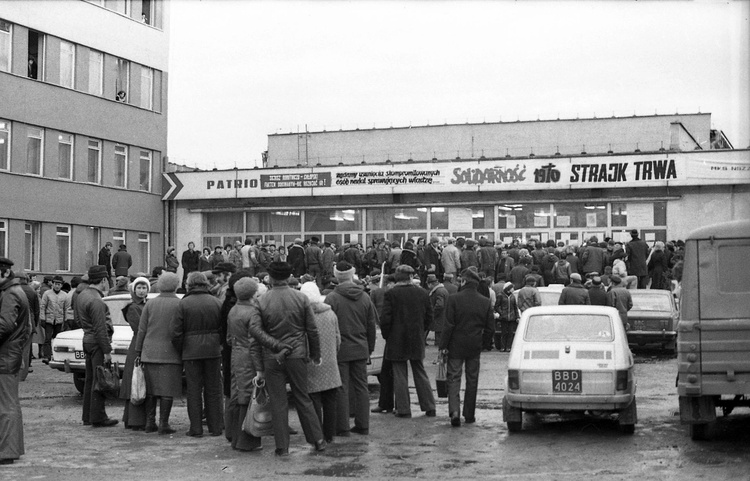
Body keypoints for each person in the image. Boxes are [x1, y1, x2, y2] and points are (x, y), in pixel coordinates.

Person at [248, 261, 326, 456]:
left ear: (271, 278)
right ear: (289, 277)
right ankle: (318, 439)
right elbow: (312, 330)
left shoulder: (262, 300)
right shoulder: (301, 298)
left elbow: (255, 330)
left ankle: (282, 446)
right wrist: (315, 354)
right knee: (303, 397)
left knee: (278, 401)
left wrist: (275, 345)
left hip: (272, 357)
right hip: (297, 355)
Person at [225, 277, 287, 451]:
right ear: (253, 293)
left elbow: (229, 338)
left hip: (236, 355)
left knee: (239, 395)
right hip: (249, 357)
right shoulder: (253, 312)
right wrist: (259, 368)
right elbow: (254, 342)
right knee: (249, 395)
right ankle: (247, 441)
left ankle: (237, 439)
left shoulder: (233, 310)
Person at [324, 261, 378, 436]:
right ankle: (363, 425)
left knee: (341, 387)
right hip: (361, 347)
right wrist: (369, 348)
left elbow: (328, 326)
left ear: (337, 275)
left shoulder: (332, 298)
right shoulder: (365, 297)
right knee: (362, 387)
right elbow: (371, 326)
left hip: (340, 349)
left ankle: (342, 426)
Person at [440, 267, 494, 427]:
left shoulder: (454, 299)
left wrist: (443, 345)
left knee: (454, 378)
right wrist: (483, 343)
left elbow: (448, 325)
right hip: (474, 346)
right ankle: (469, 414)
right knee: (472, 380)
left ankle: (454, 411)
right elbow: (490, 328)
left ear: (464, 281)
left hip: (455, 345)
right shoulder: (485, 301)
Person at [172, 271, 224, 437]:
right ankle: (215, 427)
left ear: (189, 284)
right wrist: (218, 344)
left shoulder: (183, 304)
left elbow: (175, 332)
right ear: (205, 283)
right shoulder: (216, 302)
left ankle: (196, 428)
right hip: (213, 350)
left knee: (194, 390)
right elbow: (224, 328)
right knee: (214, 389)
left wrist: (182, 349)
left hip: (191, 351)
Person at [381, 265, 436, 418]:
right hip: (416, 337)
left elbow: (385, 319)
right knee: (420, 371)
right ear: (411, 277)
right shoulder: (423, 293)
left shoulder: (391, 294)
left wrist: (388, 335)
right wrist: (421, 331)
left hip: (396, 338)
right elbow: (429, 317)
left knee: (400, 374)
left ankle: (404, 409)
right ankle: (429, 406)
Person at [135, 272, 183, 435]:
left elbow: (142, 329)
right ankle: (164, 423)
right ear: (176, 285)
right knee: (167, 390)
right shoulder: (179, 304)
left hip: (150, 352)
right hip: (171, 353)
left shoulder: (150, 304)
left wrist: (138, 350)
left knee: (151, 390)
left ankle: (150, 422)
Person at [301, 282, 342, 444]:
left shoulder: (303, 316)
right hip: (330, 361)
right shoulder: (330, 313)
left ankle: (318, 435)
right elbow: (338, 338)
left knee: (314, 400)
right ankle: (330, 434)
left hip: (311, 362)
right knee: (330, 400)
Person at [78, 265, 118, 427]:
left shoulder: (82, 295)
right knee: (99, 380)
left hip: (87, 340)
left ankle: (88, 416)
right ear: (103, 280)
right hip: (97, 342)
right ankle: (98, 417)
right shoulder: (96, 300)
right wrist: (107, 350)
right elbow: (101, 329)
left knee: (90, 380)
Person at [0, 257, 31, 465]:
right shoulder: (13, 291)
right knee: (8, 403)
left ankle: (7, 452)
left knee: (6, 404)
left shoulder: (10, 294)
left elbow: (4, 325)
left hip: (6, 356)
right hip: (10, 354)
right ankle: (11, 449)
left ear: (4, 273)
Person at [119, 276, 149, 431]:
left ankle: (135, 419)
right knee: (135, 381)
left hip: (144, 343)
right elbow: (139, 327)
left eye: (144, 288)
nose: (142, 291)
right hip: (138, 344)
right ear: (133, 289)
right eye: (139, 288)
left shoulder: (147, 305)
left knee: (140, 381)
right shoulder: (132, 307)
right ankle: (134, 420)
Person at [40, 275, 70, 364]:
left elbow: (67, 308)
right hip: (49, 319)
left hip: (59, 320)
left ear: (61, 285)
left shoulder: (65, 295)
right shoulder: (47, 294)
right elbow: (42, 306)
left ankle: (57, 356)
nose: (57, 286)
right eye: (56, 284)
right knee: (48, 339)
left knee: (57, 339)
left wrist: (66, 320)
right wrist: (42, 318)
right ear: (52, 284)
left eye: (59, 284)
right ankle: (47, 356)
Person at [494, 282, 518, 351]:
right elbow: (497, 306)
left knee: (510, 333)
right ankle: (502, 347)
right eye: (512, 288)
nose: (513, 289)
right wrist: (502, 313)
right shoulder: (500, 295)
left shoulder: (512, 296)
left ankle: (508, 347)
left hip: (512, 317)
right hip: (504, 317)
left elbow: (515, 307)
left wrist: (517, 316)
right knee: (503, 333)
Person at [426, 274, 449, 347]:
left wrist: (433, 313)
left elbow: (440, 305)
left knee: (438, 334)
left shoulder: (438, 291)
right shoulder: (442, 290)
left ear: (430, 284)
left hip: (439, 316)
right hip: (443, 315)